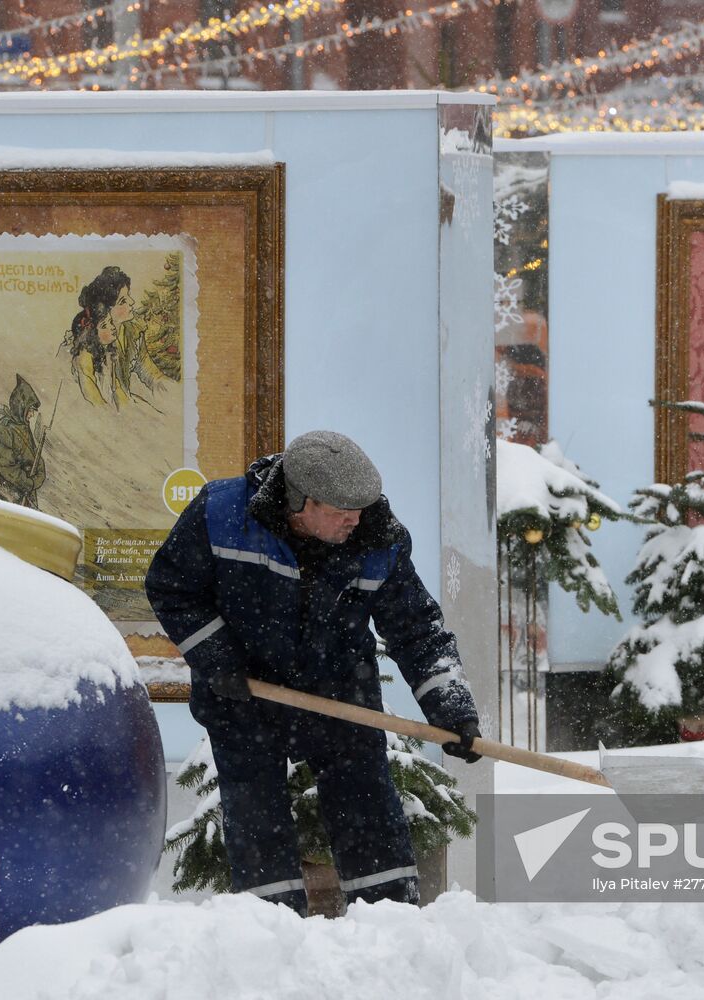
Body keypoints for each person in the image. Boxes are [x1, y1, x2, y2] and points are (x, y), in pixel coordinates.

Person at [144, 431, 482, 915]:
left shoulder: (379, 540)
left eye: (361, 507)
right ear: (300, 501)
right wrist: (218, 659)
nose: (355, 519)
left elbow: (417, 629)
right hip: (243, 694)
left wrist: (450, 706)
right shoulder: (221, 515)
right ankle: (274, 935)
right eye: (341, 509)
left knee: (368, 808)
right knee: (256, 820)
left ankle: (394, 927)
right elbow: (171, 587)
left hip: (339, 691)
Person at [66, 266, 164, 409]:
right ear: (105, 310)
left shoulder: (131, 333)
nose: (132, 302)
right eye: (123, 301)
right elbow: (92, 397)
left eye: (128, 296)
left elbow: (149, 373)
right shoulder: (85, 350)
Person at [0, 374, 46, 509]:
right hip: (9, 490)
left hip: (27, 489)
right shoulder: (4, 428)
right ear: (21, 407)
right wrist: (28, 483)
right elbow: (7, 467)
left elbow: (34, 455)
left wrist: (39, 475)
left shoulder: (24, 425)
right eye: (30, 410)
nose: (32, 414)